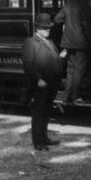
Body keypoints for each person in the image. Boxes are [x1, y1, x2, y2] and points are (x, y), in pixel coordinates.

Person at [21, 13, 63, 150]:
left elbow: (53, 57)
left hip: (50, 82)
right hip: (40, 83)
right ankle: (38, 142)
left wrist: (60, 57)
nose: (48, 30)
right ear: (38, 29)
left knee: (46, 111)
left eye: (49, 28)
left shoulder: (49, 41)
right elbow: (28, 64)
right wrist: (38, 79)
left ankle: (44, 137)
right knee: (38, 112)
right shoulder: (30, 42)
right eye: (45, 28)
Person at [55, 0, 91, 105]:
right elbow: (86, 26)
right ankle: (75, 96)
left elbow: (57, 19)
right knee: (79, 70)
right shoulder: (85, 7)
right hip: (81, 44)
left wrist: (67, 25)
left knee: (70, 71)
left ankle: (65, 96)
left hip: (68, 43)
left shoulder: (68, 5)